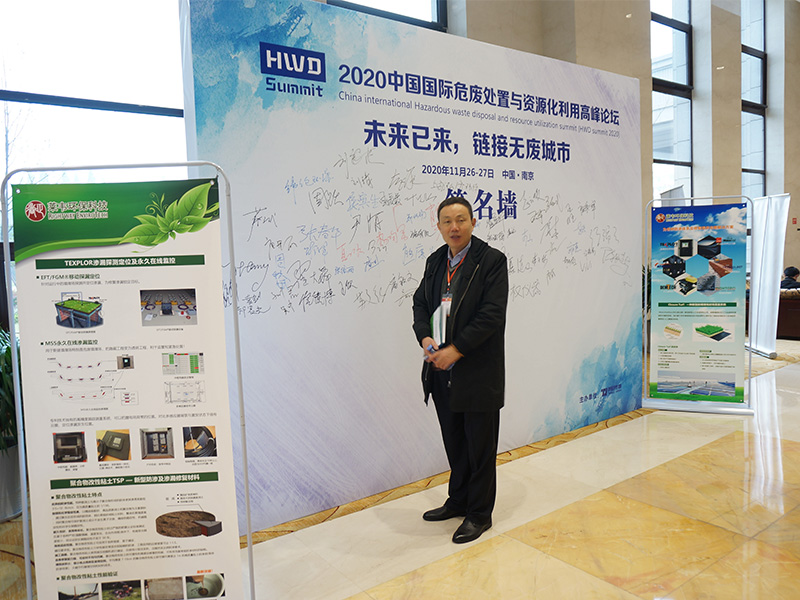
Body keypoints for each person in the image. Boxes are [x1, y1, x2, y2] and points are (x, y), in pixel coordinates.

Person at [411, 195, 509, 544]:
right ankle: (459, 500)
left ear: (473, 223)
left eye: (461, 220)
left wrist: (456, 350)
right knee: (454, 441)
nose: (454, 227)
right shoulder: (436, 260)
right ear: (438, 226)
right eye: (447, 221)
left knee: (480, 447)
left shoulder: (491, 261)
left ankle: (479, 514)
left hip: (477, 371)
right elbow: (420, 302)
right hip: (440, 368)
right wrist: (425, 337)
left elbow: (491, 315)